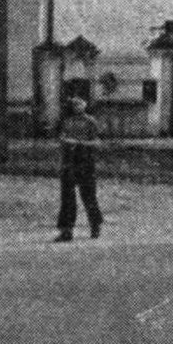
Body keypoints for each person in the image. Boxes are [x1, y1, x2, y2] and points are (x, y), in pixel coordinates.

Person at [54, 95, 104, 242]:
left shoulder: (90, 122)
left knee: (89, 196)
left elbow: (97, 142)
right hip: (69, 162)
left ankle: (95, 225)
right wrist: (65, 143)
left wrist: (80, 143)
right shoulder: (66, 122)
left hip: (86, 162)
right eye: (74, 104)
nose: (77, 107)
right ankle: (66, 230)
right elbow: (61, 139)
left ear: (85, 105)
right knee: (67, 198)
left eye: (80, 104)